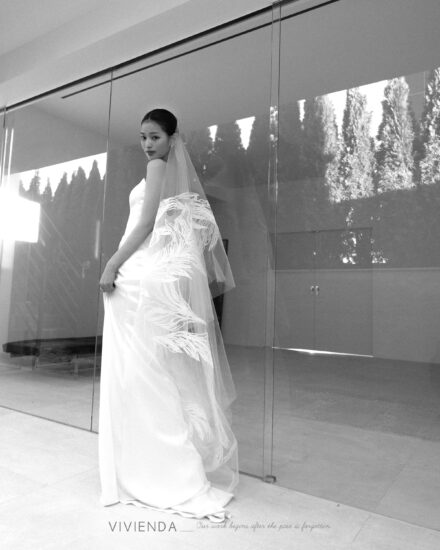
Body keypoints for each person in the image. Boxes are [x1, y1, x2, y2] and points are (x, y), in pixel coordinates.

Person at [98, 108, 239, 523]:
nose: (147, 144)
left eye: (155, 136)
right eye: (143, 136)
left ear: (172, 139)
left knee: (142, 374)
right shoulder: (167, 172)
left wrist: (111, 264)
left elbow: (144, 226)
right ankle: (154, 468)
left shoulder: (157, 168)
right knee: (147, 373)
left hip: (136, 276)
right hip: (144, 274)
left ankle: (157, 470)